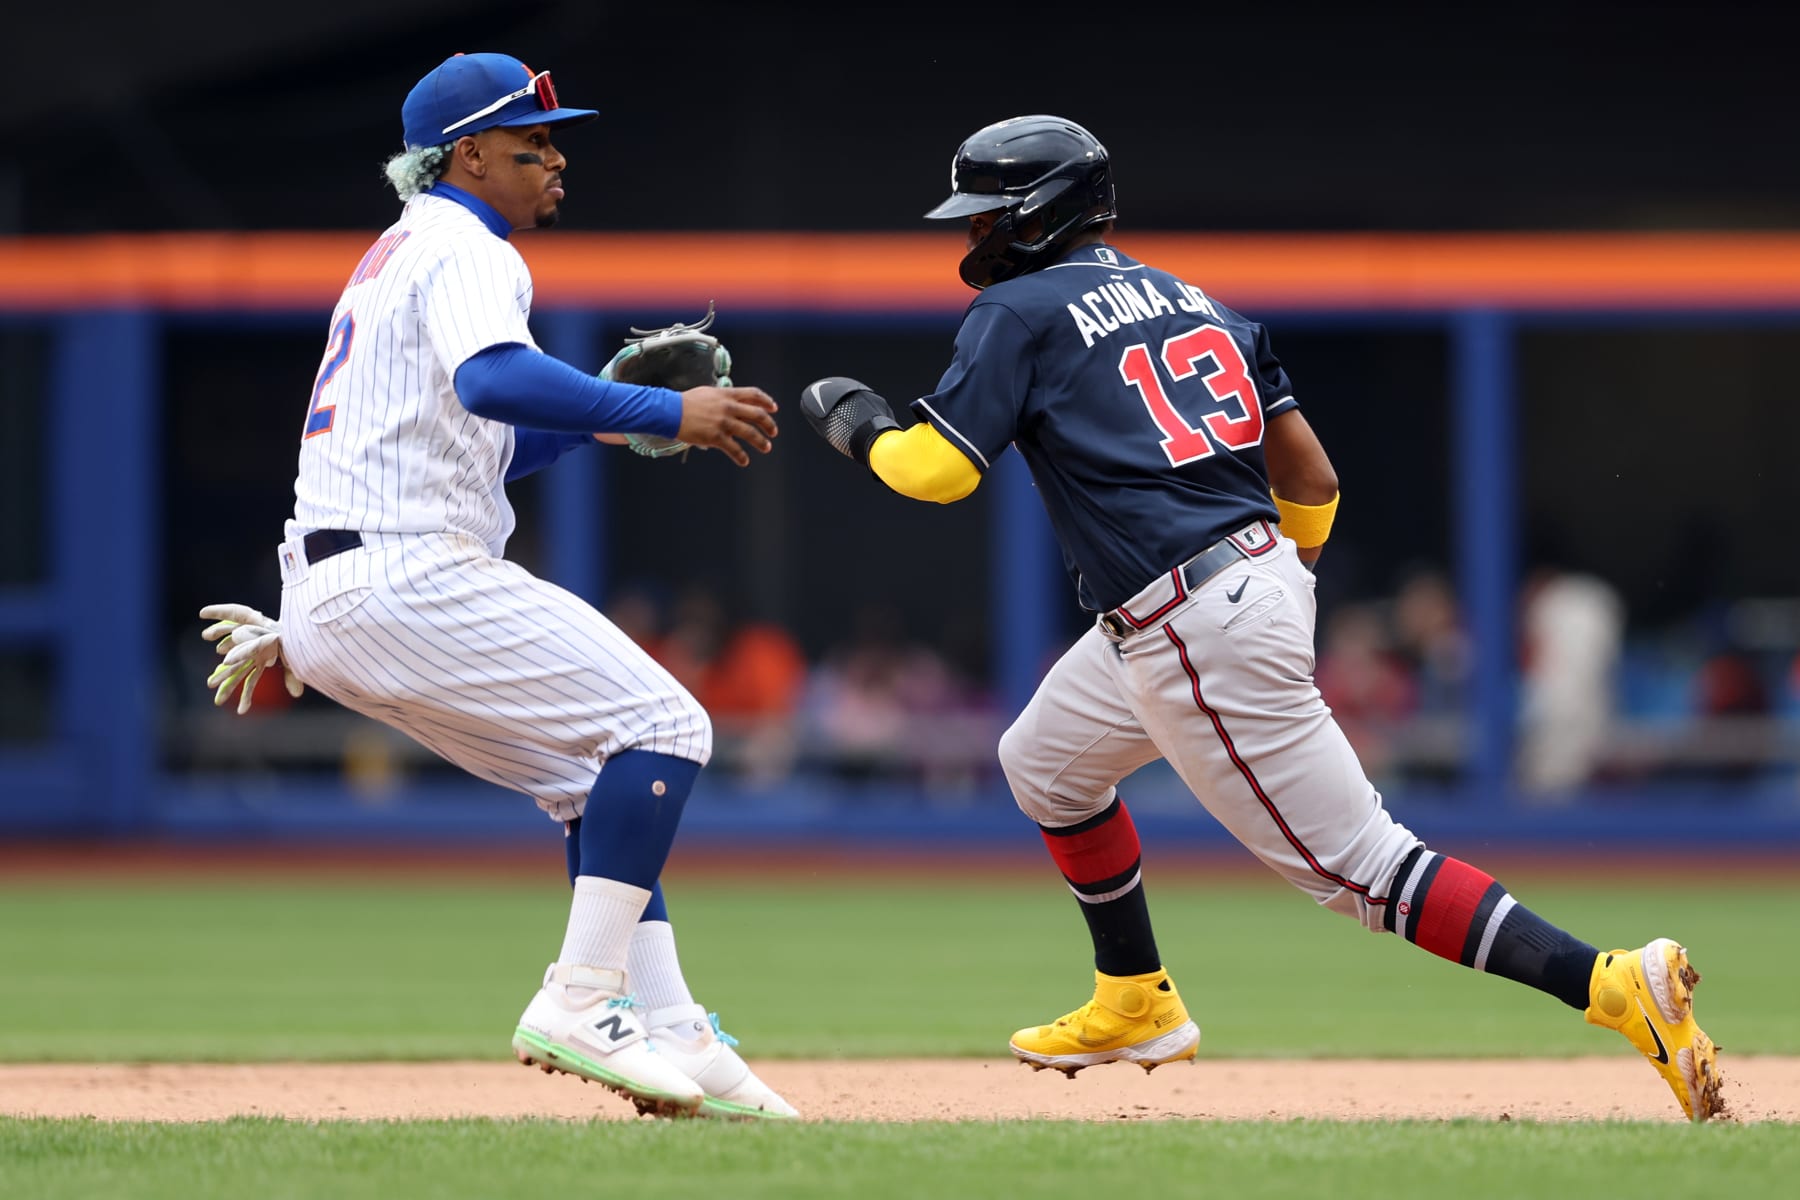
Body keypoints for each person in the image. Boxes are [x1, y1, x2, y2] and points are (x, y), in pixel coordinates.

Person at [798, 115, 1722, 1120]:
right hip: (1226, 586)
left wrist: (861, 430)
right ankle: (1134, 999)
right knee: (1046, 764)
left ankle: (1614, 984)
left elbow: (934, 474)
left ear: (1035, 217)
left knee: (1368, 871)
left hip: (1189, 611)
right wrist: (1278, 580)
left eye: (984, 215)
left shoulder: (1019, 313)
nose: (969, 237)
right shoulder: (1198, 301)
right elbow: (1313, 478)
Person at [198, 52, 793, 1120]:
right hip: (404, 568)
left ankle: (676, 1030)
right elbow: (493, 378)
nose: (557, 160)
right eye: (536, 143)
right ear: (468, 155)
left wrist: (596, 415)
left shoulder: (393, 256)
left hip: (341, 586)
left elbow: (476, 440)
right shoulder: (467, 244)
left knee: (588, 782)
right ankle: (579, 999)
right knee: (666, 725)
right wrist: (666, 413)